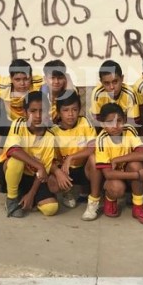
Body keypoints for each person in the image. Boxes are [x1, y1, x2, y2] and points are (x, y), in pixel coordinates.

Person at [0, 91, 61, 218]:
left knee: (51, 208)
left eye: (42, 111)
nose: (38, 116)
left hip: (33, 177)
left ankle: (27, 197)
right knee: (17, 161)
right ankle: (12, 199)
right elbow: (13, 150)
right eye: (33, 111)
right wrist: (39, 166)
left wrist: (31, 193)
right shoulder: (18, 124)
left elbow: (43, 172)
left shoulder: (50, 136)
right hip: (9, 170)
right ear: (25, 113)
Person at [93, 103, 143, 225]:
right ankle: (110, 199)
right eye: (110, 122)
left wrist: (117, 160)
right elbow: (108, 174)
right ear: (103, 124)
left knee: (136, 164)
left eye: (119, 121)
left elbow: (142, 155)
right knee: (117, 188)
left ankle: (138, 206)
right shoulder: (101, 140)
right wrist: (137, 175)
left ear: (124, 120)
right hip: (113, 177)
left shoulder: (129, 130)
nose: (115, 126)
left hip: (127, 171)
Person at [50, 92, 100, 220]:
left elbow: (92, 147)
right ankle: (67, 192)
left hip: (84, 168)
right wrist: (58, 172)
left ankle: (93, 202)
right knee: (53, 182)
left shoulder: (84, 122)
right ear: (59, 112)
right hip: (66, 170)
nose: (71, 114)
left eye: (74, 109)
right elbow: (50, 160)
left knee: (94, 158)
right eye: (66, 110)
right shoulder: (53, 131)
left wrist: (72, 157)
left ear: (79, 110)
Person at [89, 60, 141, 127]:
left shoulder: (130, 94)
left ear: (122, 78)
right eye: (107, 83)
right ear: (101, 82)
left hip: (124, 128)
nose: (112, 87)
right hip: (105, 128)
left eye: (115, 82)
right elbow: (97, 124)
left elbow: (133, 125)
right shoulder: (97, 94)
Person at [42, 60, 74, 125]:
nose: (56, 82)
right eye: (52, 78)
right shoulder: (40, 94)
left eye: (60, 78)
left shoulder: (69, 92)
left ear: (65, 79)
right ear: (45, 79)